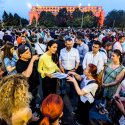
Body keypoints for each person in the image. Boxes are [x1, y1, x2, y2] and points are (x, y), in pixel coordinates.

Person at [16, 44, 40, 113]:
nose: (29, 53)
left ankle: (34, 106)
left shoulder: (29, 58)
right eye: (26, 53)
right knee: (29, 103)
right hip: (28, 88)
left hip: (35, 85)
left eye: (29, 51)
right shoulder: (19, 64)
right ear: (21, 55)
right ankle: (31, 114)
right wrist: (32, 60)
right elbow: (27, 75)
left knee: (34, 98)